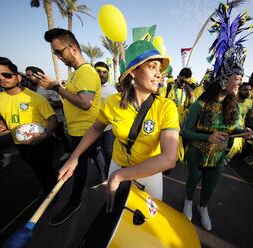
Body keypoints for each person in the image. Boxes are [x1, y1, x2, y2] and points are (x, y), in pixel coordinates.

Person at [58, 40, 179, 214]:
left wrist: (120, 176)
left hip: (149, 172)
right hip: (118, 165)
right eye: (153, 67)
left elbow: (169, 158)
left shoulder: (166, 107)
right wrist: (75, 156)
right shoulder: (113, 102)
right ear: (133, 71)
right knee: (114, 210)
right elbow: (96, 128)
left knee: (148, 221)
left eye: (159, 69)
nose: (159, 74)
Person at [182, 2, 253, 231]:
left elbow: (232, 130)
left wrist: (244, 133)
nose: (241, 83)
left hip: (219, 157)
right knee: (193, 181)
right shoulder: (200, 105)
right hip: (196, 153)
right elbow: (184, 131)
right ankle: (188, 202)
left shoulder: (237, 107)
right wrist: (207, 138)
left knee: (211, 185)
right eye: (237, 80)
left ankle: (203, 207)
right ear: (224, 81)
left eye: (241, 80)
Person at [37, 28, 102, 226]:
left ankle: (74, 202)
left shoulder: (86, 72)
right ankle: (104, 174)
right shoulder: (76, 74)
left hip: (85, 133)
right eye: (55, 53)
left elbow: (85, 103)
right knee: (92, 158)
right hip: (77, 132)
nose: (58, 57)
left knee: (77, 171)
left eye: (59, 51)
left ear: (73, 48)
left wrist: (57, 88)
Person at [0, 56, 57, 195]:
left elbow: (52, 119)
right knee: (35, 168)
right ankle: (47, 187)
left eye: (6, 75)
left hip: (42, 142)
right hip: (20, 143)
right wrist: (0, 126)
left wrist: (44, 135)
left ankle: (52, 193)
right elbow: (1, 117)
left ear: (18, 77)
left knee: (46, 169)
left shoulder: (35, 98)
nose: (1, 78)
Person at [94, 61, 117, 178]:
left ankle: (112, 174)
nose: (101, 74)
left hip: (108, 128)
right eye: (98, 71)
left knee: (108, 152)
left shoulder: (112, 90)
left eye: (104, 72)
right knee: (96, 152)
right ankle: (103, 175)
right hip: (92, 128)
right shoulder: (88, 88)